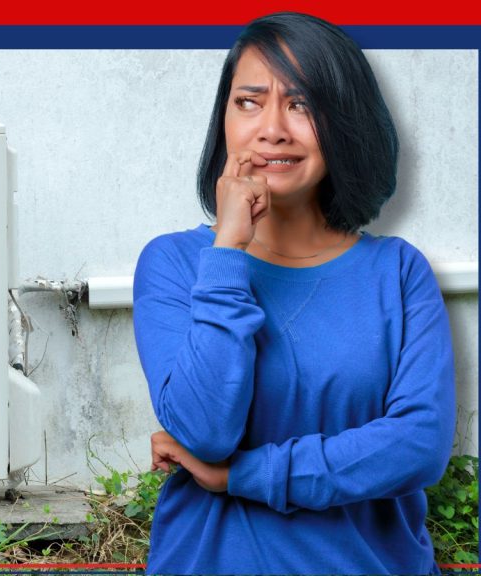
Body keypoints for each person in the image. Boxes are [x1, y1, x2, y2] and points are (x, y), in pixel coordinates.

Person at [132, 12, 455, 575]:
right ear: (225, 119)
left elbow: (419, 446)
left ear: (344, 120)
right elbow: (206, 432)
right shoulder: (176, 264)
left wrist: (244, 475)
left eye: (302, 104)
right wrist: (228, 250)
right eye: (249, 102)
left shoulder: (398, 272)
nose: (273, 129)